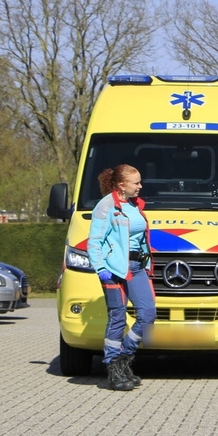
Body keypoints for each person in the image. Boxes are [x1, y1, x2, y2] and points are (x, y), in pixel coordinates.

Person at [87, 164, 156, 391]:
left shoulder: (135, 205)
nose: (140, 186)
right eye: (136, 182)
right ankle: (113, 367)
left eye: (139, 182)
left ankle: (123, 358)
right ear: (121, 185)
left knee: (148, 315)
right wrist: (100, 269)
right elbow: (94, 242)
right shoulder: (106, 206)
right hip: (115, 269)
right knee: (117, 317)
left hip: (136, 267)